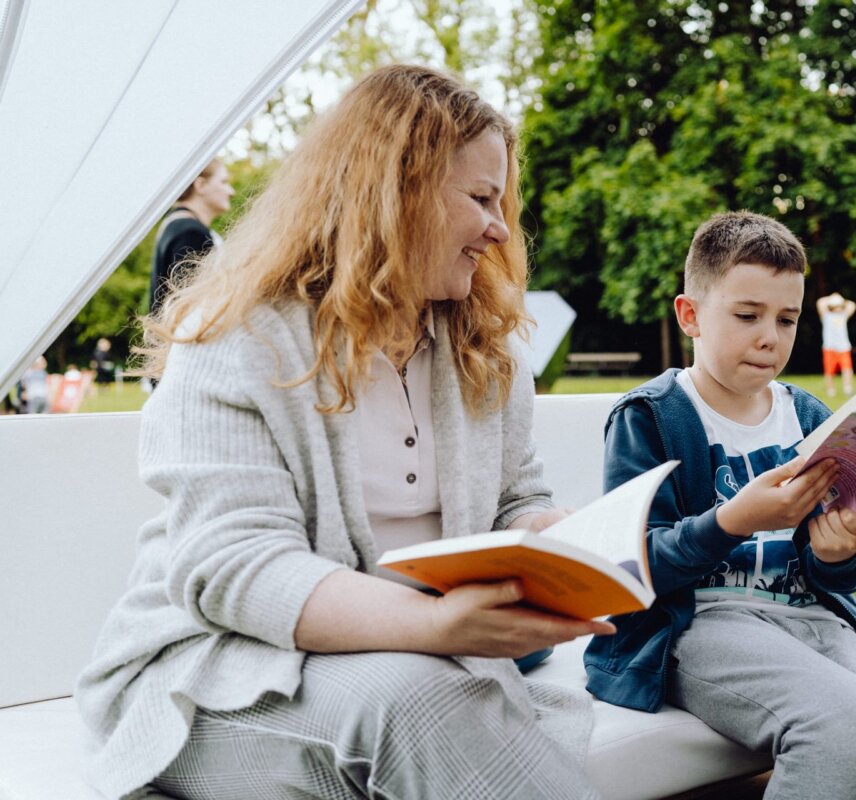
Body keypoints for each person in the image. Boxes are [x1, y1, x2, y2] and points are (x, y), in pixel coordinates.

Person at [76, 65, 614, 800]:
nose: (499, 228)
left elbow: (515, 497)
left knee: (427, 695)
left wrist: (558, 536)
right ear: (399, 191)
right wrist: (435, 625)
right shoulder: (237, 340)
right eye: (482, 198)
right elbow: (236, 569)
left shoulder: (481, 348)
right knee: (420, 704)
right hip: (218, 673)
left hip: (419, 661)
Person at [591, 211, 856, 800]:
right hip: (699, 624)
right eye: (747, 316)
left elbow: (842, 573)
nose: (769, 336)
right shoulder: (651, 417)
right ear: (690, 315)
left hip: (813, 619)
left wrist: (841, 550)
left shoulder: (806, 416)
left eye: (787, 319)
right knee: (842, 721)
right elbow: (632, 567)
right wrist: (732, 523)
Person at [149, 156, 233, 315]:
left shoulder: (177, 224)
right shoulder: (190, 233)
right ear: (200, 185)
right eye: (223, 182)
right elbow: (194, 307)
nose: (231, 191)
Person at [816, 291, 856, 397]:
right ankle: (831, 389)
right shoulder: (826, 315)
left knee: (847, 369)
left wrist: (842, 300)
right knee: (829, 371)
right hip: (829, 347)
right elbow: (820, 302)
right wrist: (831, 298)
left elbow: (852, 305)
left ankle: (847, 387)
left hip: (843, 347)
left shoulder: (843, 315)